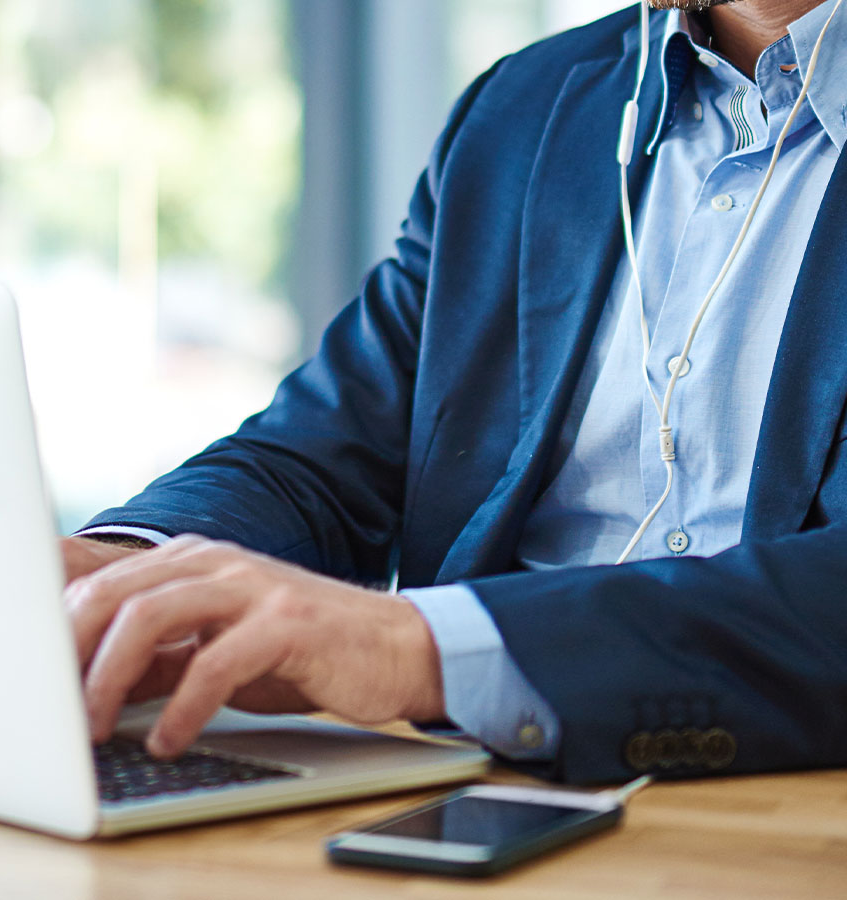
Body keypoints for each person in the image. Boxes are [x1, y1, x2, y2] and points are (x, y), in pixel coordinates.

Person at [61, 0, 847, 784]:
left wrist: (414, 646)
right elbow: (329, 447)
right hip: (462, 780)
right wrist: (128, 570)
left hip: (779, 803)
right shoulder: (527, 105)